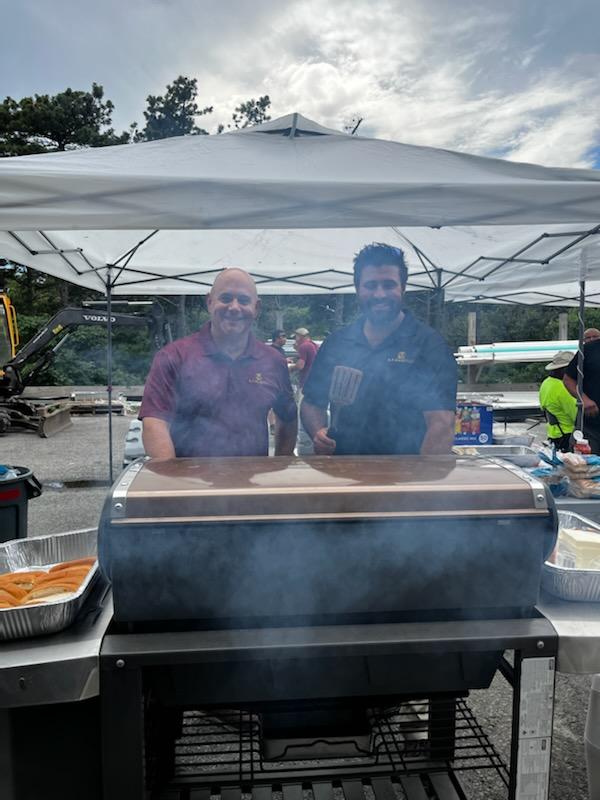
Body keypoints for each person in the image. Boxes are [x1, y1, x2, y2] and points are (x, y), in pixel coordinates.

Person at [301, 243, 457, 455]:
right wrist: (318, 431)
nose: (380, 294)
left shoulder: (428, 345)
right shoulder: (338, 343)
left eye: (388, 285)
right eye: (371, 285)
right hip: (344, 475)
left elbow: (441, 425)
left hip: (405, 479)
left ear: (402, 287)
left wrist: (422, 483)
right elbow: (312, 402)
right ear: (358, 289)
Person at [140, 268, 297, 458]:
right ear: (209, 302)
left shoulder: (273, 361)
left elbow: (288, 418)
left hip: (253, 484)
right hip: (189, 483)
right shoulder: (174, 356)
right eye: (226, 298)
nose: (234, 307)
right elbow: (154, 423)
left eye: (244, 300)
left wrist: (279, 468)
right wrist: (172, 481)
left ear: (257, 308)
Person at [564, 332, 600, 454]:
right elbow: (568, 379)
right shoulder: (588, 350)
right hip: (592, 425)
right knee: (585, 467)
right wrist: (583, 399)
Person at [539, 351, 577, 452]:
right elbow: (578, 417)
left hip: (554, 435)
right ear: (565, 369)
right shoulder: (564, 388)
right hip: (568, 437)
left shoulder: (546, 383)